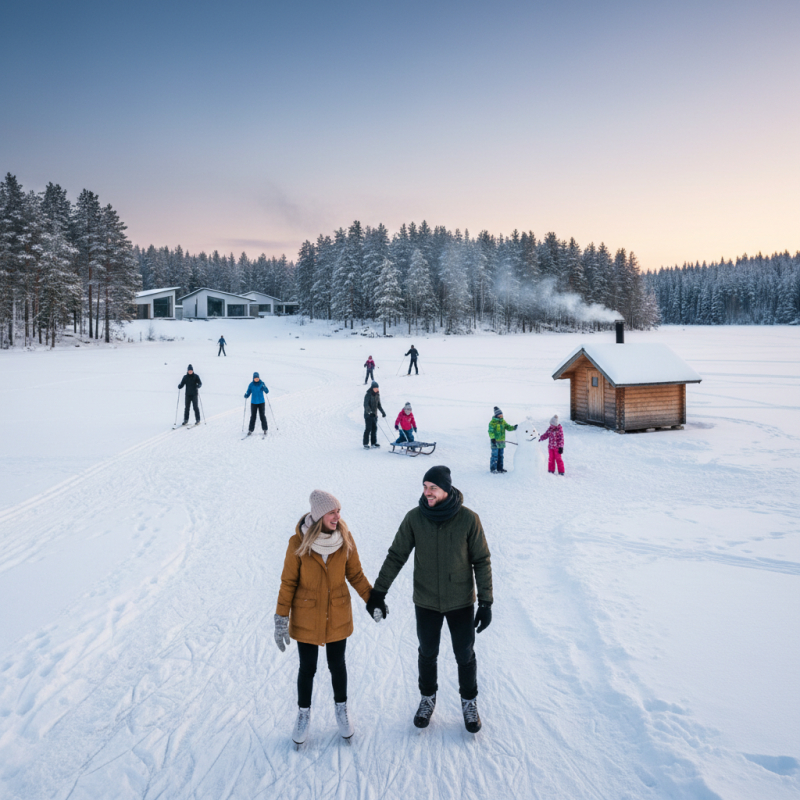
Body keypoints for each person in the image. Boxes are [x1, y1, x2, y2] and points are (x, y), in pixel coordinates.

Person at [367, 466, 493, 734]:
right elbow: (396, 556)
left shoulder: (469, 520)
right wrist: (378, 592)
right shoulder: (415, 518)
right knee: (427, 652)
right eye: (424, 487)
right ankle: (427, 698)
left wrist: (485, 602)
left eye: (432, 487)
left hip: (460, 601)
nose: (426, 493)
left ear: (446, 489)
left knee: (464, 654)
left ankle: (469, 702)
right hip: (425, 601)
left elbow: (481, 561)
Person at [274, 490, 374, 745]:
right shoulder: (298, 543)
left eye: (338, 511)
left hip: (337, 614)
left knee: (337, 665)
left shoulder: (345, 538)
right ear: (319, 516)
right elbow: (288, 583)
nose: (337, 516)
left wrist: (372, 599)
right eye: (332, 512)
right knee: (307, 668)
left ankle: (341, 711)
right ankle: (303, 715)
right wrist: (281, 618)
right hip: (307, 616)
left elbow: (356, 575)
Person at [488, 407, 518, 474]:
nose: (501, 416)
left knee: (501, 456)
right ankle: (493, 469)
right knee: (494, 456)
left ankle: (500, 468)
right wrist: (492, 438)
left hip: (501, 442)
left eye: (502, 415)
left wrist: (514, 427)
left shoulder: (503, 422)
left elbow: (508, 427)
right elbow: (490, 431)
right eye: (500, 415)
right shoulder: (492, 423)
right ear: (497, 415)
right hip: (495, 442)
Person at [363, 381, 386, 449]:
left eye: (377, 388)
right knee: (368, 428)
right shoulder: (368, 395)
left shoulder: (377, 395)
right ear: (372, 388)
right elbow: (365, 405)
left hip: (375, 415)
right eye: (375, 388)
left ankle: (373, 443)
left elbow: (378, 405)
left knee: (374, 428)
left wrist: (383, 412)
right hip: (368, 415)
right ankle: (365, 443)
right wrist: (370, 412)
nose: (376, 390)